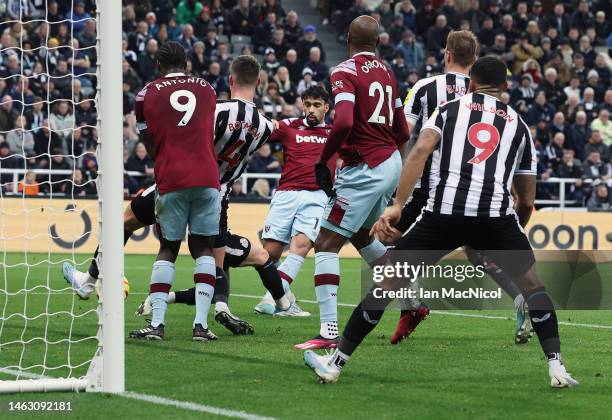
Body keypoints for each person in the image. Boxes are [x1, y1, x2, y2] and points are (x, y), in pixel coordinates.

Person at [305, 56, 579, 389]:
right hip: (494, 219)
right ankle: (557, 367)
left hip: (443, 215)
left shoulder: (450, 109)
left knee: (387, 286)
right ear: (505, 88)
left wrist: (397, 205)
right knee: (534, 288)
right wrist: (505, 239)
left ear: (472, 83)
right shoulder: (519, 125)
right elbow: (526, 200)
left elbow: (419, 151)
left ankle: (336, 363)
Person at [294, 15, 410, 350]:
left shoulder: (344, 71)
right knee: (361, 236)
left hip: (365, 167)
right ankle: (412, 302)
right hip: (389, 161)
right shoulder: (388, 73)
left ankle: (329, 332)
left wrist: (322, 161)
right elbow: (402, 131)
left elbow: (343, 121)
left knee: (326, 243)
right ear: (378, 42)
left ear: (347, 38)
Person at [129, 42, 220, 342]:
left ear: (158, 65)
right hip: (208, 176)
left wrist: (167, 159)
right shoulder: (207, 88)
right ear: (187, 63)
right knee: (203, 247)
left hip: (171, 177)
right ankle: (201, 326)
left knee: (168, 247)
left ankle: (157, 325)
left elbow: (148, 141)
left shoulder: (146, 94)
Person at [254, 86, 335, 316]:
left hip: (317, 195)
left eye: (317, 105)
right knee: (269, 255)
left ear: (326, 108)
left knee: (301, 245)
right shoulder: (288, 126)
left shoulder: (334, 133)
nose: (311, 109)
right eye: (307, 104)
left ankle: (272, 299)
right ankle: (286, 298)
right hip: (285, 194)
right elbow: (260, 129)